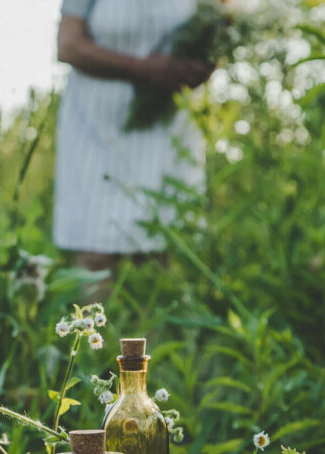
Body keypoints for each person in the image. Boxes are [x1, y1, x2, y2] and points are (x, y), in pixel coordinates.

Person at [53, 0, 214, 298]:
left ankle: (151, 342)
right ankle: (92, 340)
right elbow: (68, 45)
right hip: (95, 125)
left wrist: (198, 69)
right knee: (95, 253)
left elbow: (218, 27)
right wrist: (142, 69)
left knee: (157, 254)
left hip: (167, 123)